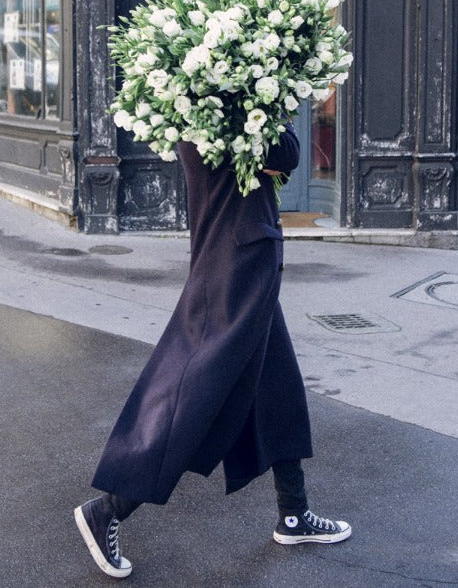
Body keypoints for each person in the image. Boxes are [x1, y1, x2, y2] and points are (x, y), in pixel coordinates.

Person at [75, 123, 351, 579]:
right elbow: (286, 154)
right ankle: (108, 509)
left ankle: (294, 513)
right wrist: (271, 104)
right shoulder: (228, 97)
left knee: (276, 384)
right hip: (237, 264)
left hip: (236, 255)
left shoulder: (196, 101)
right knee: (194, 395)